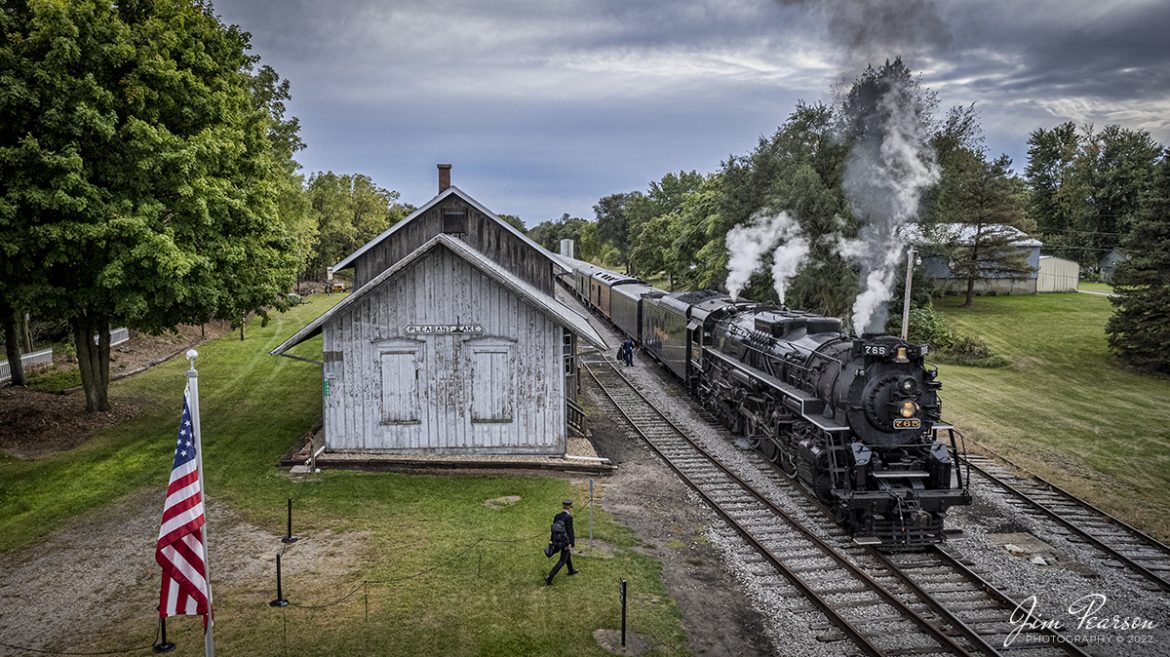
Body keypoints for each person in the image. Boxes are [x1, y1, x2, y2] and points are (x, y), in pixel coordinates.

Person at [545, 499, 578, 584]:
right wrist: (571, 543)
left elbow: (553, 530)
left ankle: (571, 570)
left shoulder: (557, 516)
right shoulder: (568, 517)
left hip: (557, 541)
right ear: (570, 508)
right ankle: (550, 576)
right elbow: (570, 531)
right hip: (565, 542)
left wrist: (551, 541)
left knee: (567, 555)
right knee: (562, 560)